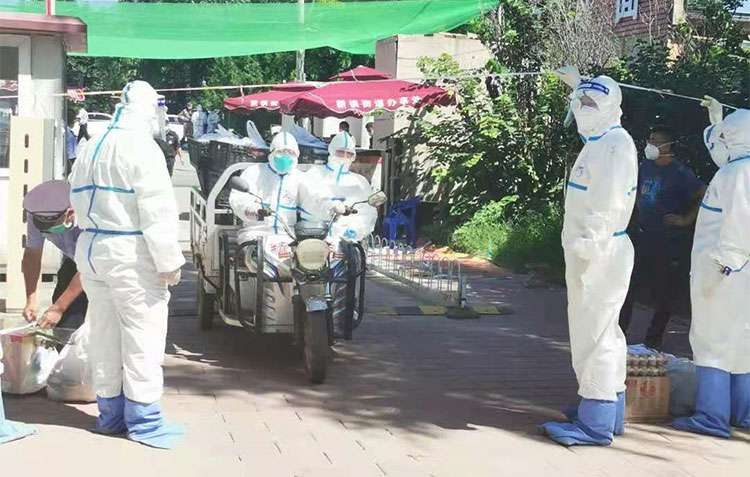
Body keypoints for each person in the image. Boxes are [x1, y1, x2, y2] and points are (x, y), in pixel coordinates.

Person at [68, 80, 185, 449]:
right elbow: (157, 210)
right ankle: (144, 422)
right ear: (149, 109)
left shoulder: (91, 145)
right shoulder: (142, 148)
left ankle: (110, 415)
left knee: (103, 335)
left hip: (93, 251)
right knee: (142, 336)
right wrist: (168, 262)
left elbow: (75, 195)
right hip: (130, 253)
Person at [540, 69, 638, 446]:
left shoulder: (615, 144)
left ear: (612, 106)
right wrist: (577, 85)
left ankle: (595, 422)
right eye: (580, 101)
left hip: (600, 251)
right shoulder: (601, 140)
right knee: (603, 330)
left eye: (590, 102)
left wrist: (590, 244)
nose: (582, 108)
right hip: (595, 250)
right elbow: (588, 124)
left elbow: (609, 201)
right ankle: (608, 410)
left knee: (594, 334)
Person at [672, 100, 750, 438]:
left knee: (711, 341)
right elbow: (722, 155)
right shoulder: (740, 167)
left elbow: (740, 224)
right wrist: (716, 120)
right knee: (742, 341)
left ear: (734, 137)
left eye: (724, 135)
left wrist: (724, 266)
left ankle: (711, 416)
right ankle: (743, 413)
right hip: (741, 273)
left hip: (724, 272)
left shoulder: (736, 173)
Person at [619, 126, 706, 348]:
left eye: (655, 141)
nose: (650, 144)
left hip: (668, 240)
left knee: (665, 291)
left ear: (667, 146)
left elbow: (703, 193)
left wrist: (685, 219)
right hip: (643, 235)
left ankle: (653, 339)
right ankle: (618, 333)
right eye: (649, 139)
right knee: (628, 286)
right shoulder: (645, 167)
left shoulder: (680, 173)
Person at [22, 180, 88, 331]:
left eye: (52, 227)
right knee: (65, 324)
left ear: (70, 213)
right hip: (74, 262)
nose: (48, 231)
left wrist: (59, 307)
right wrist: (31, 299)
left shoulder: (89, 217)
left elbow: (89, 266)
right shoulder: (37, 213)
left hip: (107, 265)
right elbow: (32, 254)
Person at [229, 131, 302, 237]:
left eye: (291, 153)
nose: (285, 156)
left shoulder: (300, 178)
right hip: (256, 231)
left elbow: (311, 204)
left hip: (289, 234)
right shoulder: (254, 172)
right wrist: (251, 210)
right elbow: (239, 199)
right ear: (272, 153)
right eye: (280, 152)